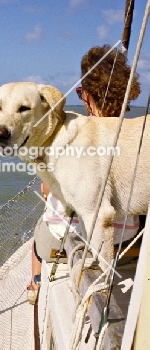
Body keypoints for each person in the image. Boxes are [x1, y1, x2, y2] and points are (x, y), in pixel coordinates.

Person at [27, 44, 141, 304]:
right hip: (126, 239)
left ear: (87, 96)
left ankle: (35, 284)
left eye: (80, 92)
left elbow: (48, 191)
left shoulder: (75, 130)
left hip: (65, 241)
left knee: (38, 234)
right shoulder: (136, 133)